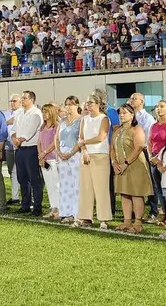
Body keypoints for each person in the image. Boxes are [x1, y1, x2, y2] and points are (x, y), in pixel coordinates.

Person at [111, 103, 151, 233]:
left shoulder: (136, 129)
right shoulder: (117, 130)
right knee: (124, 193)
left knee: (136, 194)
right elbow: (112, 148)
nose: (121, 115)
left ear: (131, 114)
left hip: (134, 165)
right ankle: (127, 221)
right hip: (120, 166)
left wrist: (125, 163)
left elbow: (139, 147)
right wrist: (114, 162)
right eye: (120, 113)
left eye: (124, 113)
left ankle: (138, 222)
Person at [74, 92, 112, 229]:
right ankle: (85, 216)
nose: (88, 105)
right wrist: (84, 150)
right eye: (87, 102)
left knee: (101, 188)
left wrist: (84, 142)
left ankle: (104, 218)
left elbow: (101, 137)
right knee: (86, 187)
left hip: (100, 155)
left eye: (90, 102)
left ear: (98, 104)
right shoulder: (84, 119)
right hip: (86, 156)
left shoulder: (104, 119)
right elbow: (80, 137)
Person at [12, 90, 45, 216]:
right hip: (20, 149)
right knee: (22, 178)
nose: (22, 100)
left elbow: (30, 132)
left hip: (31, 148)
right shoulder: (19, 113)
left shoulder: (36, 114)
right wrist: (14, 138)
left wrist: (20, 140)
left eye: (24, 98)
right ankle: (25, 204)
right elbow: (13, 129)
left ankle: (37, 206)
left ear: (31, 99)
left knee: (35, 179)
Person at [56, 97, 82, 223]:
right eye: (66, 105)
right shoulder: (62, 121)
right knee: (65, 185)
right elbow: (56, 138)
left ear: (77, 105)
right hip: (62, 154)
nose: (68, 107)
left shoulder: (81, 120)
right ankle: (66, 212)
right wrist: (59, 152)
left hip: (75, 154)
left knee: (77, 184)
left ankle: (77, 212)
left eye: (71, 105)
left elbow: (81, 139)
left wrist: (71, 152)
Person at [148, 100, 166, 224]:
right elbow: (149, 142)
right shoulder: (154, 125)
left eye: (162, 107)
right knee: (159, 188)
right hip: (154, 160)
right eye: (157, 107)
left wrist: (159, 158)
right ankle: (165, 214)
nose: (159, 109)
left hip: (165, 159)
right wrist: (151, 156)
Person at [38, 103, 60, 219]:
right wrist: (40, 155)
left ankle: (59, 208)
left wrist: (45, 152)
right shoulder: (42, 127)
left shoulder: (56, 126)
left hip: (53, 158)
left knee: (56, 184)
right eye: (43, 112)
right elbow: (39, 142)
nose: (44, 114)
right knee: (49, 185)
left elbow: (55, 142)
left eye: (46, 112)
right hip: (44, 159)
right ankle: (53, 207)